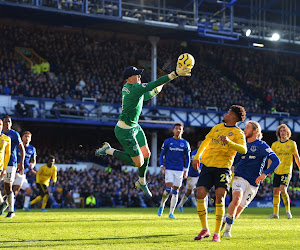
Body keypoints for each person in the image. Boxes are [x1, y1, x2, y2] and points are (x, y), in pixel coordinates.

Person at [95, 63, 192, 197]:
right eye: (137, 75)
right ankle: (108, 150)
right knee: (138, 163)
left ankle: (141, 181)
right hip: (125, 131)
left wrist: (158, 89)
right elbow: (154, 83)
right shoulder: (134, 88)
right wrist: (173, 74)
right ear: (129, 78)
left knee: (146, 153)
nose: (140, 76)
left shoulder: (130, 88)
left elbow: (145, 96)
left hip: (134, 126)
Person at [192, 105, 247, 242]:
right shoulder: (217, 127)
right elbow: (206, 142)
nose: (226, 113)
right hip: (208, 165)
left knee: (220, 197)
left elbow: (243, 150)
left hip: (223, 168)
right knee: (200, 193)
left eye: (229, 112)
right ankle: (205, 229)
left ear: (233, 116)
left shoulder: (238, 133)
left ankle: (217, 232)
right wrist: (197, 156)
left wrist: (229, 142)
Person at [221, 121, 280, 237]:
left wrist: (265, 174)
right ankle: (227, 231)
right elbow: (235, 161)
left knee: (237, 213)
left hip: (254, 183)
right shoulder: (242, 145)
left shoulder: (262, 145)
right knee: (236, 199)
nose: (244, 130)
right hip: (239, 177)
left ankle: (225, 219)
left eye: (247, 128)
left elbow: (276, 160)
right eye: (245, 127)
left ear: (255, 131)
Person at [157, 123, 191, 219]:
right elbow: (162, 154)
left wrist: (186, 170)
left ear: (182, 131)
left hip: (179, 169)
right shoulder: (168, 142)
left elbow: (187, 158)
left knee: (176, 190)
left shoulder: (185, 143)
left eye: (180, 129)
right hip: (169, 168)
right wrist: (161, 165)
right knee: (168, 189)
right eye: (176, 129)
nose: (178, 130)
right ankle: (162, 204)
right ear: (173, 130)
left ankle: (171, 213)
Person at [266, 124, 300, 219]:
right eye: (281, 131)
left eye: (284, 131)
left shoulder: (292, 143)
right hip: (277, 171)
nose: (282, 132)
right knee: (275, 191)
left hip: (286, 171)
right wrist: (269, 170)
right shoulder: (274, 145)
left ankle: (288, 212)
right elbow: (270, 158)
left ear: (288, 133)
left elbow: (296, 157)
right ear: (278, 133)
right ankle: (275, 214)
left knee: (283, 189)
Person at [177, 140, 214, 213]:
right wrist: (199, 170)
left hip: (202, 175)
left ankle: (206, 208)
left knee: (204, 190)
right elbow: (194, 164)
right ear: (198, 145)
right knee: (189, 192)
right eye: (200, 144)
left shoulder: (207, 152)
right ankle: (180, 205)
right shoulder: (195, 152)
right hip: (193, 175)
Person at [0, 115, 25, 219]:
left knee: (8, 187)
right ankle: (2, 203)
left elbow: (22, 149)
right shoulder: (1, 134)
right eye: (5, 122)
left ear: (11, 123)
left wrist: (21, 163)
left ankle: (11, 211)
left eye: (8, 121)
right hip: (1, 164)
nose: (7, 123)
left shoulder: (14, 134)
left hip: (11, 163)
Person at [14, 131, 37, 211]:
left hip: (23, 173)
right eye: (25, 136)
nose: (27, 138)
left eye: (29, 137)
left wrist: (32, 164)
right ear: (22, 137)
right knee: (14, 190)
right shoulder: (17, 146)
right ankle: (11, 207)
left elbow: (34, 160)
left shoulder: (32, 149)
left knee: (28, 190)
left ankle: (25, 207)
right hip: (14, 171)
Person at [0, 119, 11, 214]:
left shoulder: (7, 138)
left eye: (0, 124)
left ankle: (2, 203)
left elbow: (7, 155)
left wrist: (4, 168)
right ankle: (2, 203)